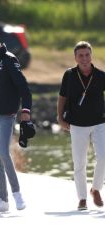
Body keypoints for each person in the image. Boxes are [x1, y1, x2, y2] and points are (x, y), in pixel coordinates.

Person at [0, 30, 32, 212]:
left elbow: (23, 86)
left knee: (3, 153)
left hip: (6, 115)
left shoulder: (9, 59)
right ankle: (2, 199)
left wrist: (26, 110)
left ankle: (17, 194)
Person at [57, 41, 105, 211]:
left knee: (104, 157)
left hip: (100, 122)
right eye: (80, 55)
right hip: (76, 124)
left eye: (87, 54)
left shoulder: (101, 75)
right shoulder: (69, 75)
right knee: (79, 163)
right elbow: (62, 97)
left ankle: (96, 189)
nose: (84, 58)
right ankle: (82, 198)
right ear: (75, 58)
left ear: (91, 55)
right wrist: (59, 117)